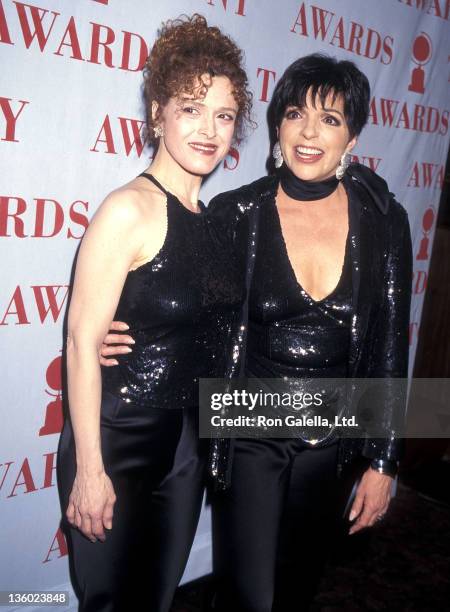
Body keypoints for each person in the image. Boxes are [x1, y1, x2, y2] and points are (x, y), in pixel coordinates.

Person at [102, 54, 412, 611]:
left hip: (337, 429)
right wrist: (121, 334)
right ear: (278, 127)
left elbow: (391, 340)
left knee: (296, 590)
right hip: (248, 425)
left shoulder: (385, 218)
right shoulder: (236, 212)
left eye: (331, 119)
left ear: (354, 137)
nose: (310, 132)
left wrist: (384, 461)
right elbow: (182, 295)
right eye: (296, 114)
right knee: (250, 596)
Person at [57, 14, 252, 612]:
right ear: (157, 113)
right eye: (191, 108)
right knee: (111, 601)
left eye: (223, 115)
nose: (207, 129)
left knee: (158, 600)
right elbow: (81, 344)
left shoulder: (218, 223)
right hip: (120, 440)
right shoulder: (128, 210)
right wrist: (90, 468)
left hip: (190, 448)